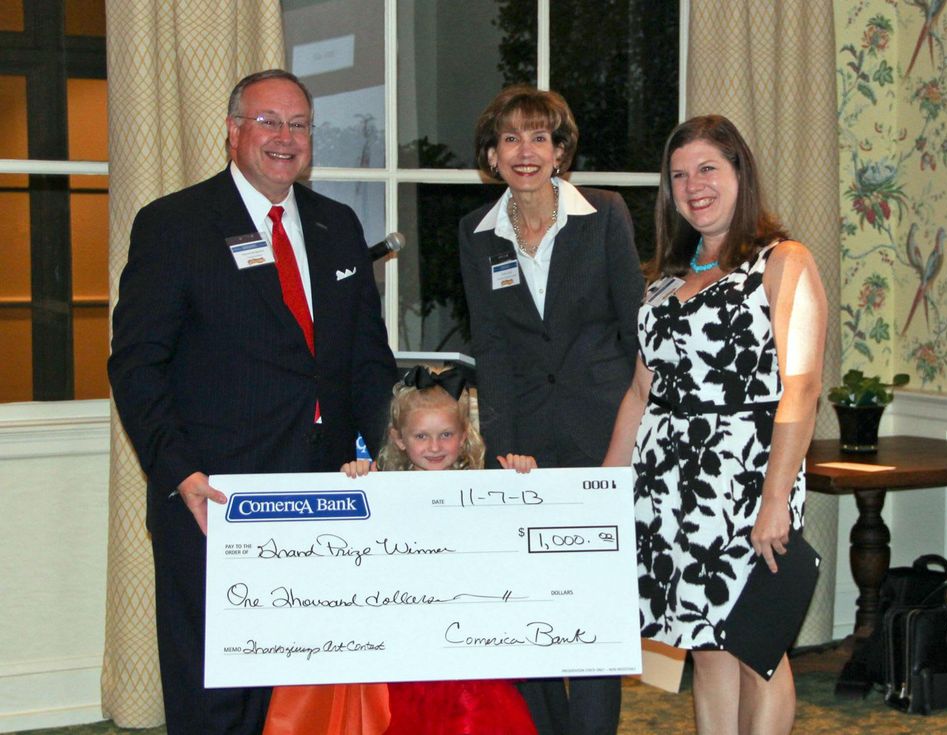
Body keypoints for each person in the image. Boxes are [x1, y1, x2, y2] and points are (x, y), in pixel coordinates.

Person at [108, 69, 398, 735]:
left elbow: (367, 357)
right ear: (234, 131)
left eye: (298, 125)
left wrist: (374, 451)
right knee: (219, 693)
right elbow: (136, 362)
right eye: (269, 121)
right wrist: (178, 471)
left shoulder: (337, 223)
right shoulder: (174, 224)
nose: (284, 138)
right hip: (215, 499)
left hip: (325, 494)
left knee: (305, 688)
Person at [603, 114, 827, 734]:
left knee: (756, 645)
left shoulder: (783, 261)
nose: (693, 185)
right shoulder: (665, 279)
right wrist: (604, 490)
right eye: (678, 175)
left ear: (739, 174)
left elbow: (802, 386)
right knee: (703, 643)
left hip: (748, 480)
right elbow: (639, 393)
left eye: (708, 168)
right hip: (669, 484)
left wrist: (777, 498)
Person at [458, 84, 643, 735]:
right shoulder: (476, 236)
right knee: (528, 606)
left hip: (603, 441)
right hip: (526, 449)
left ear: (561, 150)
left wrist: (629, 442)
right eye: (510, 138)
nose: (525, 151)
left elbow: (636, 333)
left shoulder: (605, 216)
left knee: (593, 611)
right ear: (492, 153)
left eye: (540, 137)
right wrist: (501, 448)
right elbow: (492, 349)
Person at [263, 365, 539, 735]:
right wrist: (355, 479)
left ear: (463, 436)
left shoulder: (487, 488)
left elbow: (521, 543)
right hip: (403, 656)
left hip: (469, 656)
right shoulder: (380, 492)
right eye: (421, 436)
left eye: (446, 434)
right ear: (399, 439)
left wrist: (525, 477)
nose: (435, 446)